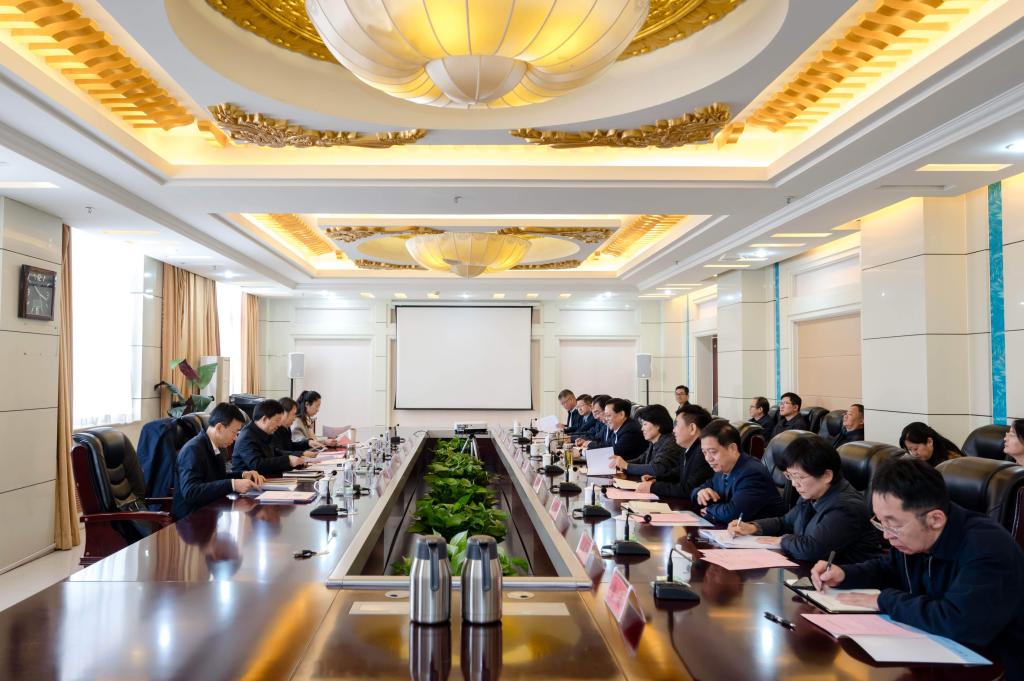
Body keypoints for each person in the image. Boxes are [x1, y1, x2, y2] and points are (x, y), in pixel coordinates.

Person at [811, 458, 1024, 679]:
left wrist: (884, 600)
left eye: (893, 524)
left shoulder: (989, 548)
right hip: (930, 652)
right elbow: (889, 569)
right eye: (880, 522)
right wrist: (845, 574)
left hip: (992, 667)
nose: (886, 535)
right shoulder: (913, 539)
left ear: (935, 519)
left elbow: (957, 621)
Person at [728, 435, 882, 562]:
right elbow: (785, 522)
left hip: (848, 583)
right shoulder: (812, 494)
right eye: (790, 476)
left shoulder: (846, 507)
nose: (794, 483)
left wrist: (783, 540)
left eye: (800, 477)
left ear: (827, 475)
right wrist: (753, 527)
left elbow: (812, 550)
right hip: (813, 574)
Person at [172, 403, 265, 519]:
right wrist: (233, 484)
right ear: (219, 427)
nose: (236, 437)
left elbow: (217, 478)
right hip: (191, 518)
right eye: (234, 432)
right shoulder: (193, 450)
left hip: (212, 511)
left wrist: (243, 475)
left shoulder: (215, 446)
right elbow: (191, 491)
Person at [692, 420, 788, 523]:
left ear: (732, 448)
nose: (708, 458)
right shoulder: (721, 468)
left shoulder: (752, 472)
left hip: (762, 532)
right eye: (704, 452)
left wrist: (709, 509)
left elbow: (732, 514)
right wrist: (699, 493)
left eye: (713, 452)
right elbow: (701, 488)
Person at [636, 403, 713, 498]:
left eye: (677, 425)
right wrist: (656, 479)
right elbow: (677, 472)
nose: (673, 430)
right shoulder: (688, 448)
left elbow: (688, 490)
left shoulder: (703, 453)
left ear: (692, 428)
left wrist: (653, 487)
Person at [233, 399, 305, 476]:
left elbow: (275, 452)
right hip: (250, 481)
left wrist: (297, 458)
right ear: (264, 419)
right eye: (277, 420)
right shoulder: (246, 437)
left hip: (267, 478)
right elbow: (257, 464)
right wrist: (288, 460)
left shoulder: (265, 432)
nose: (279, 425)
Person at [610, 404, 681, 477]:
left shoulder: (671, 443)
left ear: (657, 425)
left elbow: (657, 469)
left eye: (645, 424)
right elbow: (641, 460)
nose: (642, 429)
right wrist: (619, 464)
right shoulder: (654, 443)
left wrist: (626, 465)